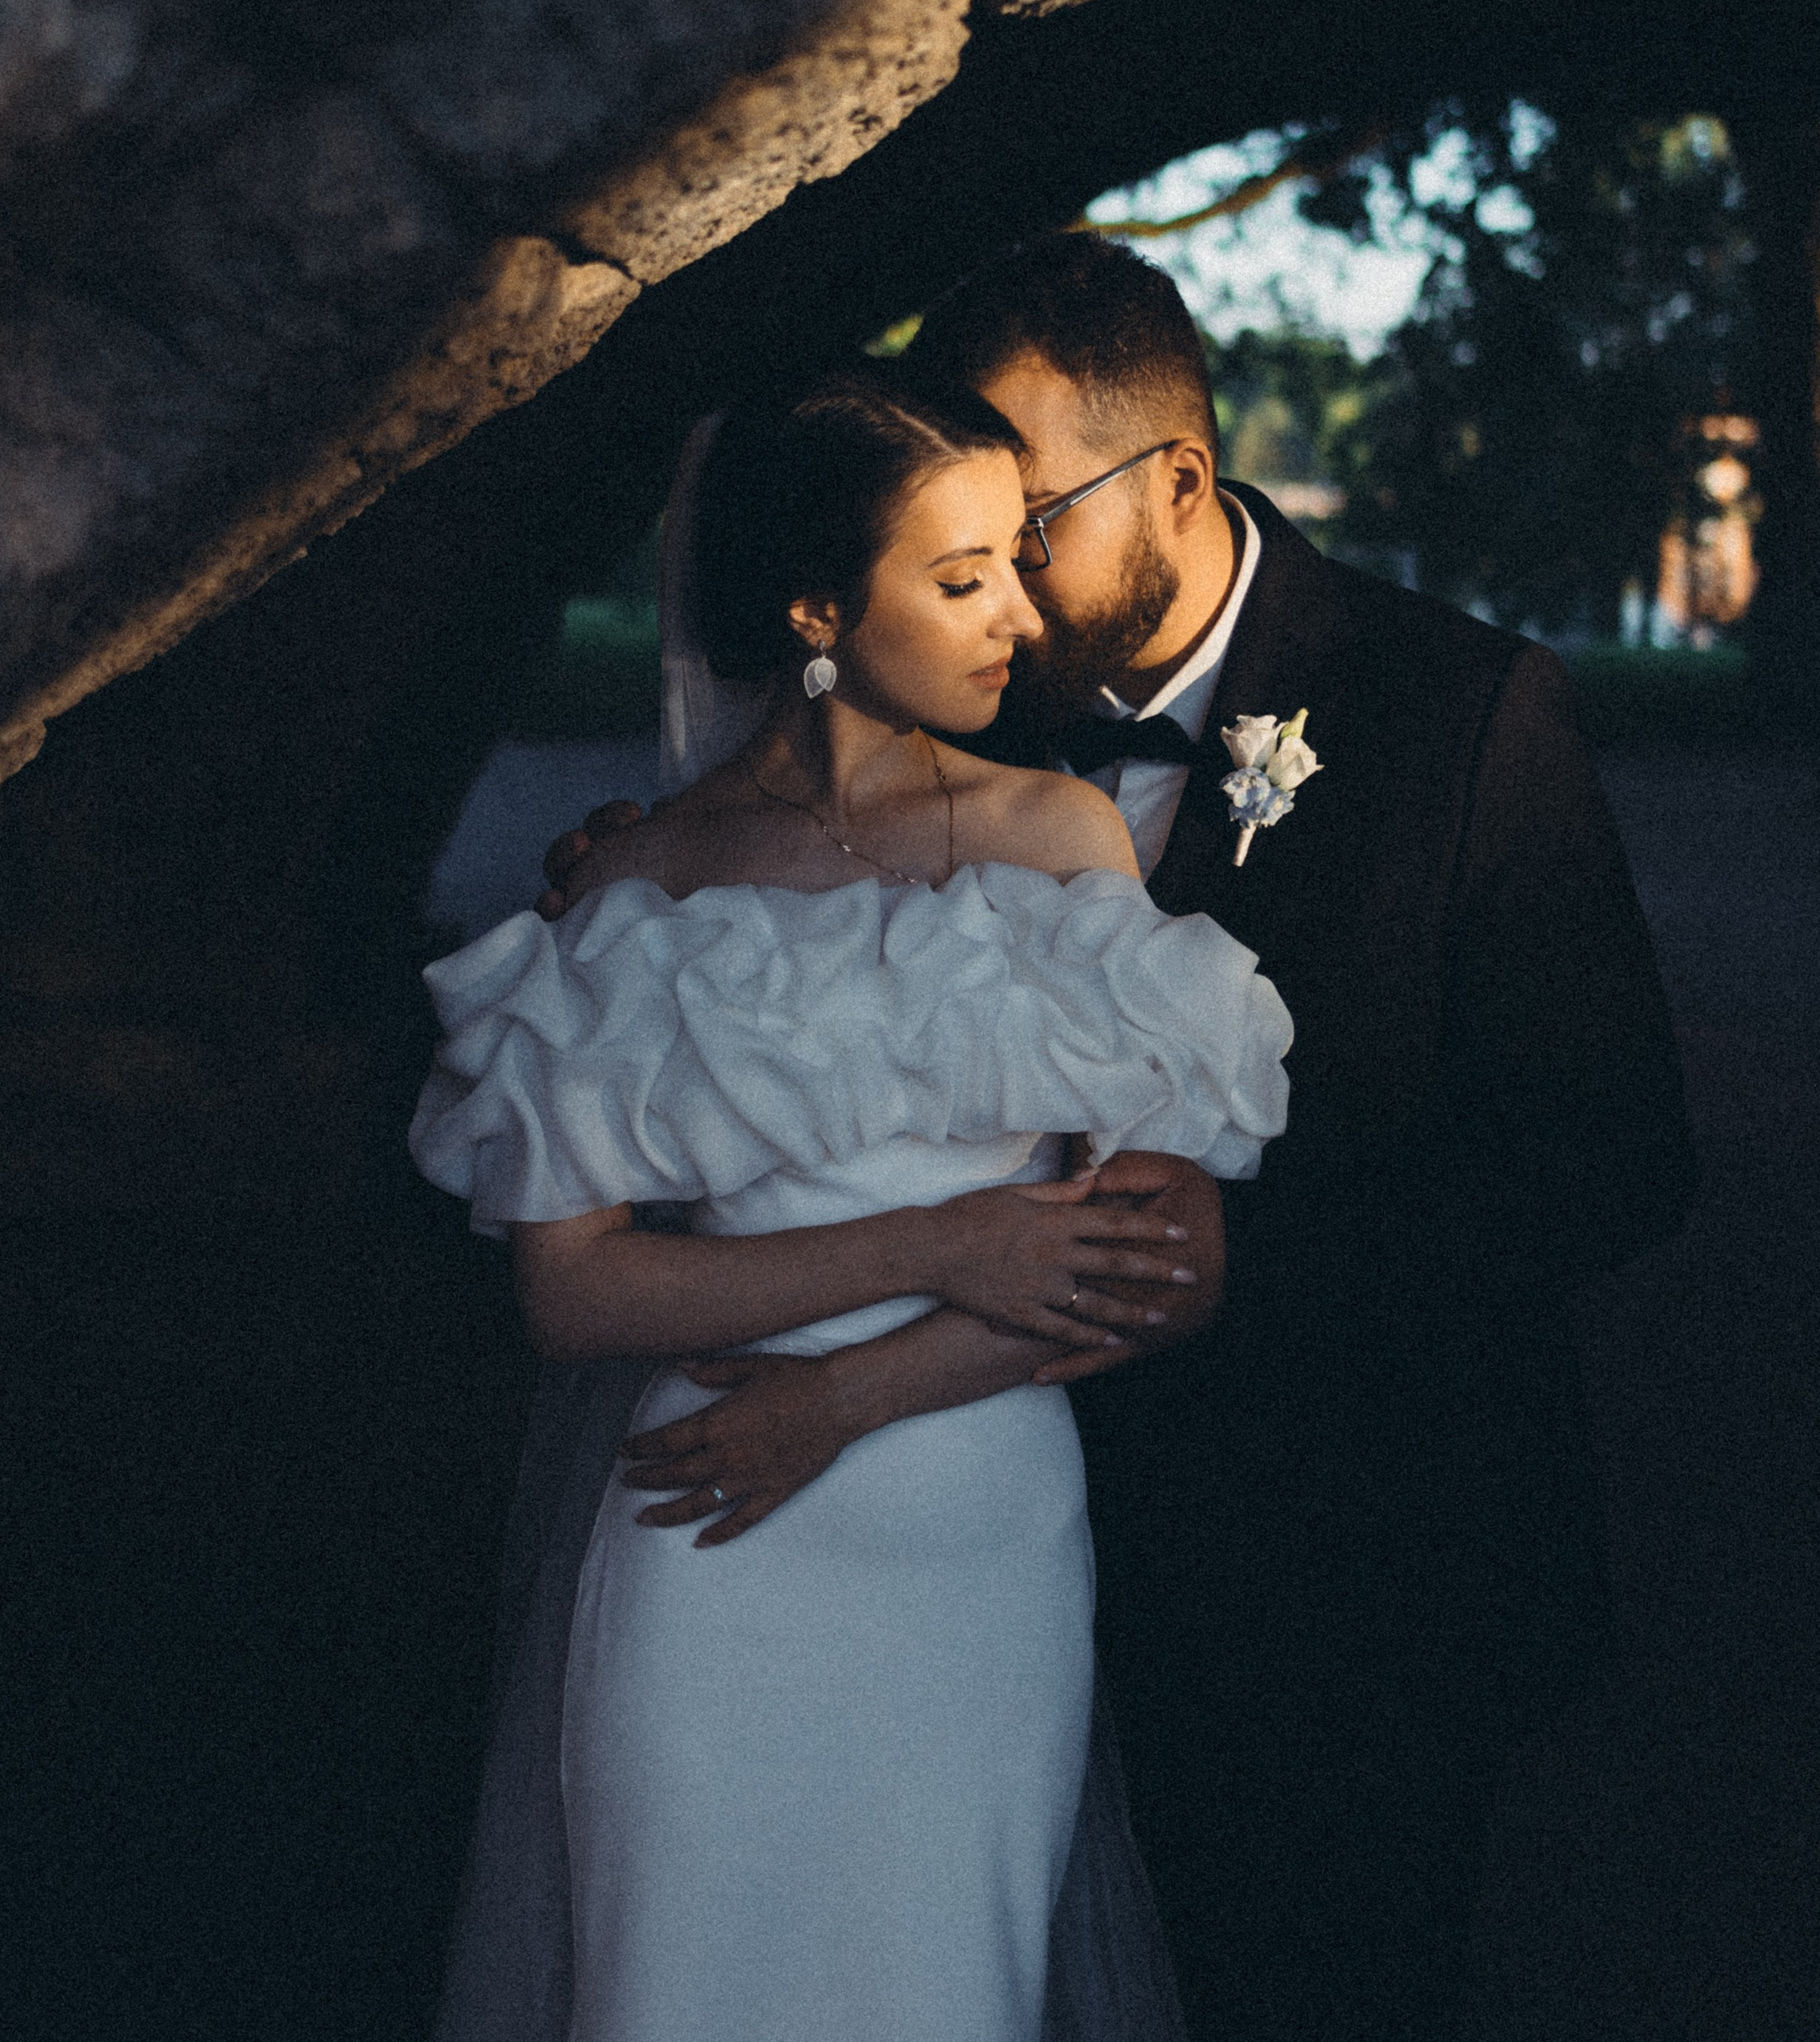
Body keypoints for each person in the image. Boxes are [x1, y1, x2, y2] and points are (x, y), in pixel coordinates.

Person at [560, 236, 1701, 2042]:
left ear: (1175, 479)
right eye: (973, 534)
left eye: (1036, 518)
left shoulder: (1461, 711)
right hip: (977, 1546)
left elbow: (1613, 1152)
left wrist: (1257, 1252)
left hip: (1337, 1568)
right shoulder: (947, 693)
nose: (999, 576)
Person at [413, 365, 1294, 2042]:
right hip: (704, 1529)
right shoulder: (641, 873)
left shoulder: (1056, 841)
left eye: (1013, 567)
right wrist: (937, 1244)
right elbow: (574, 1294)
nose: (1016, 623)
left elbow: (1153, 1259)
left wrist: (847, 1390)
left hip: (970, 1534)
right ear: (819, 607)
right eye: (958, 580)